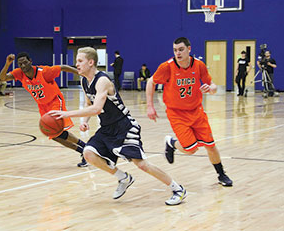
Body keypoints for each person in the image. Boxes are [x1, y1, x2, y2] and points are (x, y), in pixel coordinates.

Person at [50, 47, 187, 205]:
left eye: (80, 61)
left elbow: (96, 108)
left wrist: (66, 114)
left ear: (91, 62)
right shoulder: (83, 81)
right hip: (107, 128)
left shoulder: (102, 81)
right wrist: (84, 122)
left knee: (141, 164)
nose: (76, 64)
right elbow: (89, 103)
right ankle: (123, 177)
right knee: (88, 153)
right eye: (77, 61)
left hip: (124, 126)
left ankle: (178, 189)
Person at [146, 37, 233, 187]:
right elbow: (150, 81)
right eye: (175, 50)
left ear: (189, 49)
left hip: (196, 111)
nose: (177, 53)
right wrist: (149, 106)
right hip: (176, 113)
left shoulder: (199, 65)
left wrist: (210, 89)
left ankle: (221, 174)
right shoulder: (167, 67)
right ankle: (172, 143)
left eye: (181, 49)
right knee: (191, 150)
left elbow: (212, 86)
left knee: (210, 145)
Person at [0, 52, 88, 167]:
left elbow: (63, 67)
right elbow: (2, 78)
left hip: (55, 101)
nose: (23, 66)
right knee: (54, 135)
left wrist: (81, 74)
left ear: (30, 61)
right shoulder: (19, 73)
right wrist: (7, 63)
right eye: (20, 64)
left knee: (59, 131)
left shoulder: (44, 72)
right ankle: (83, 150)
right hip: (43, 106)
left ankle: (86, 148)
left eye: (25, 62)